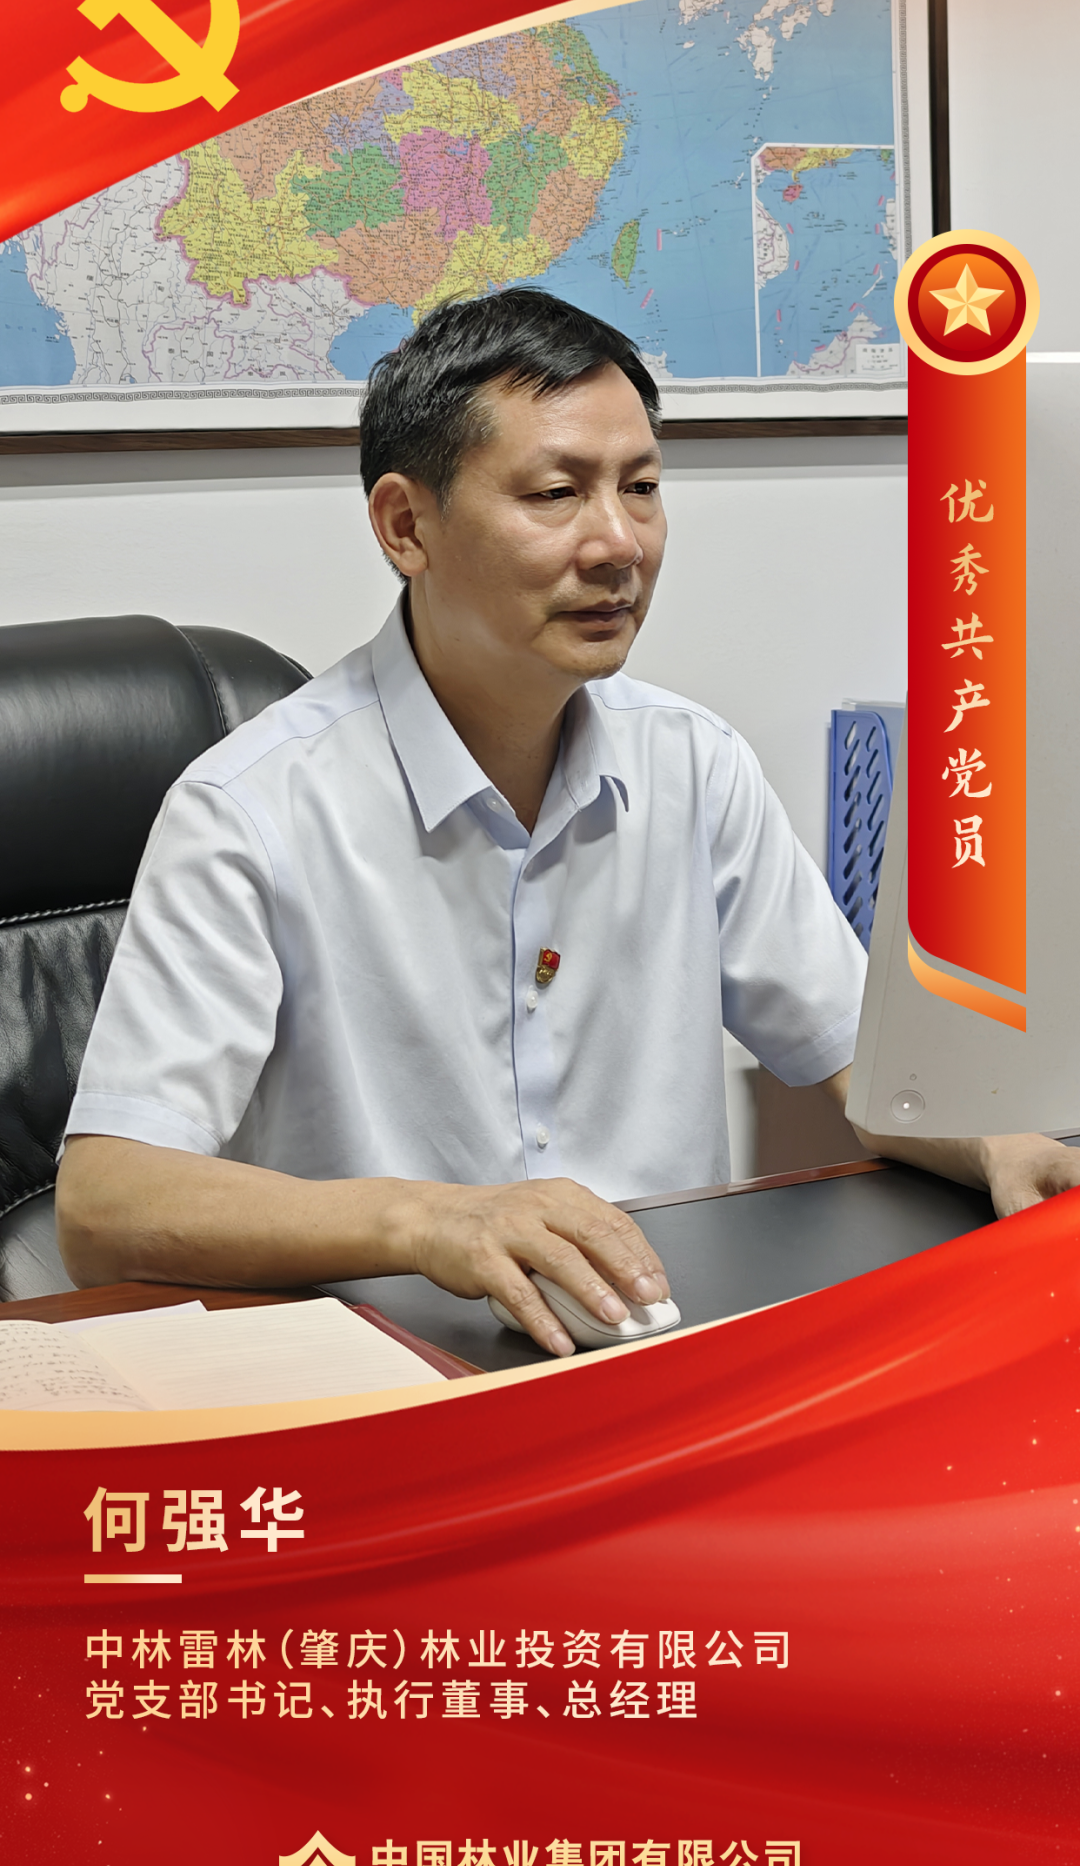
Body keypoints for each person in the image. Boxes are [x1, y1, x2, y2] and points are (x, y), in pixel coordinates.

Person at [57, 290, 1080, 1353]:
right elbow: (103, 1203)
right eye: (556, 493)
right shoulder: (252, 808)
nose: (618, 544)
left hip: (663, 1346)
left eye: (641, 488)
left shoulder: (693, 763)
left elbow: (863, 1063)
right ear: (406, 526)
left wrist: (1003, 1145)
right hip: (392, 1368)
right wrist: (433, 1221)